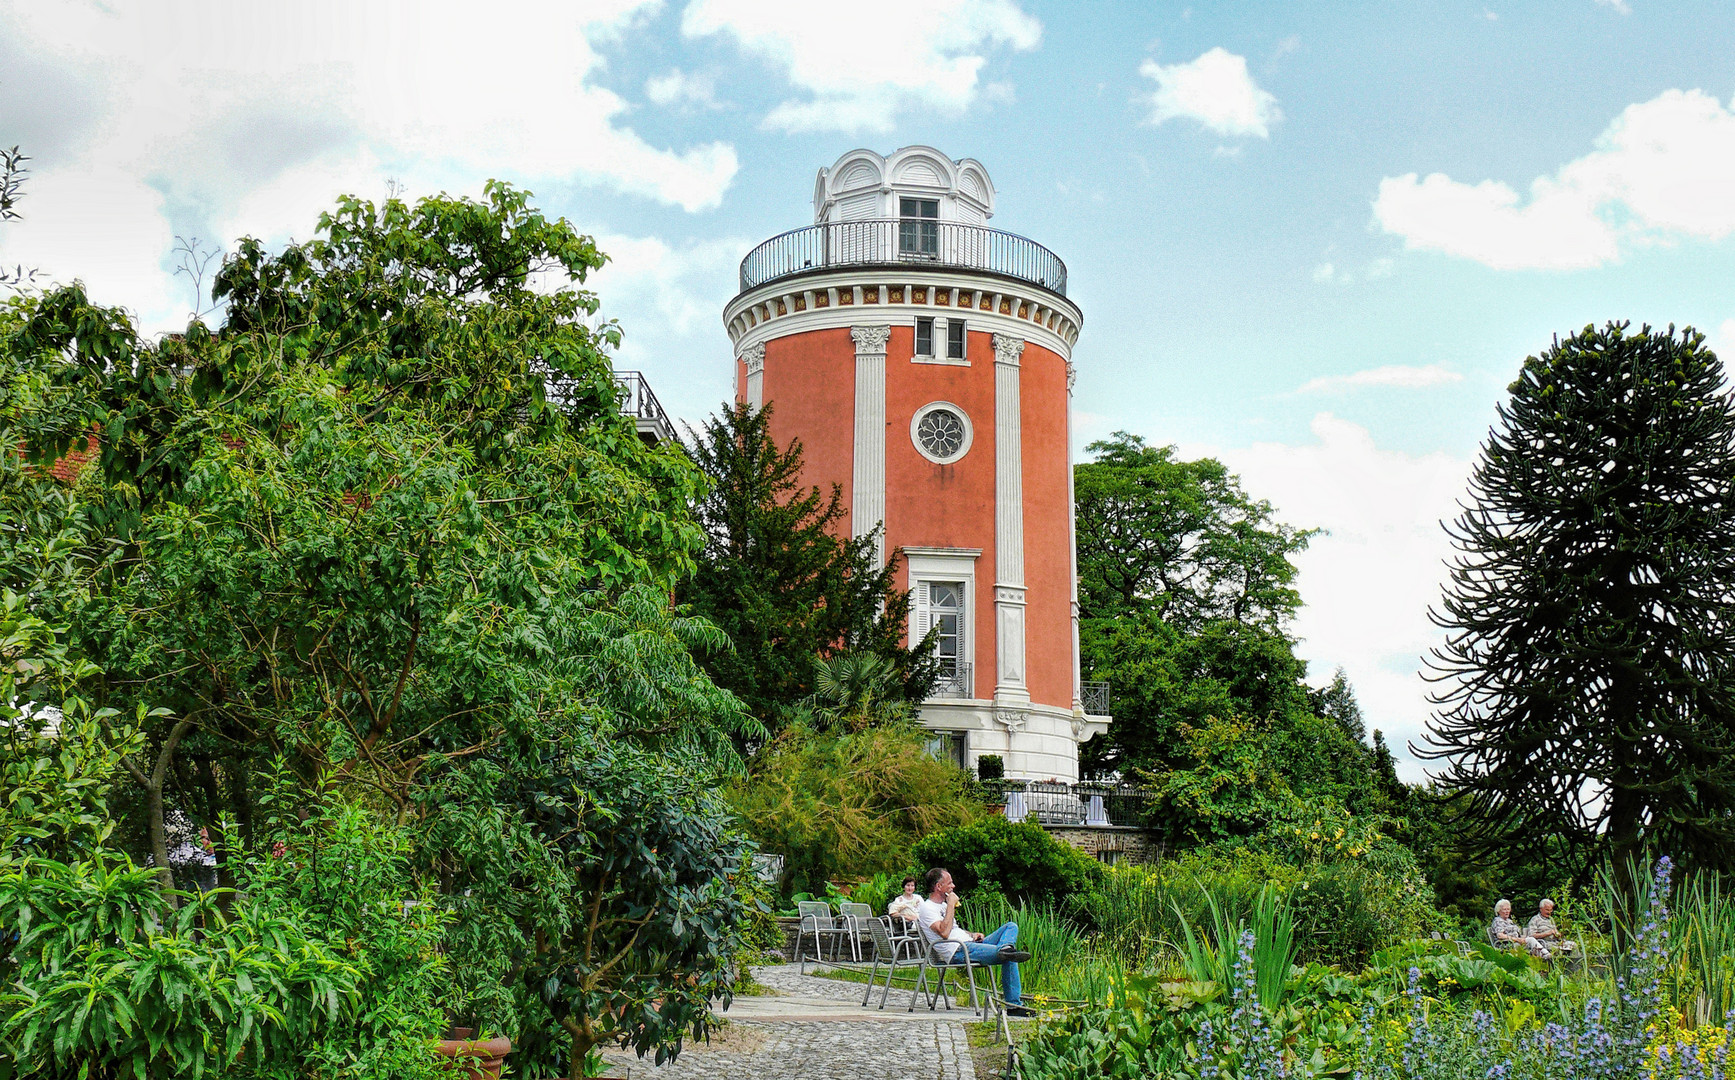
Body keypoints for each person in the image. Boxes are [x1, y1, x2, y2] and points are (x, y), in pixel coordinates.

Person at [916, 867, 1034, 1017]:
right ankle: (1014, 1006)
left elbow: (955, 929)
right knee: (1009, 956)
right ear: (939, 886)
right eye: (950, 883)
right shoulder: (927, 908)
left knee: (1011, 927)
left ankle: (1006, 948)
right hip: (958, 951)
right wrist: (951, 904)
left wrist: (972, 934)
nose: (953, 886)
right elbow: (945, 933)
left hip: (969, 943)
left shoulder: (944, 906)